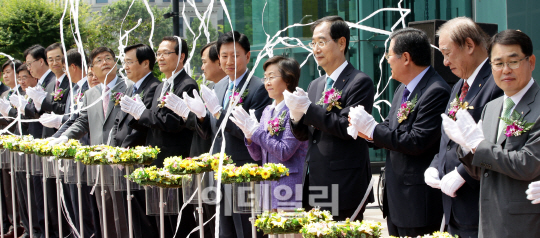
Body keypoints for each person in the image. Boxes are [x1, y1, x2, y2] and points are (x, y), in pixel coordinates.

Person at [349, 28, 449, 236]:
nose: (387, 61)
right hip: (398, 201)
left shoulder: (435, 90)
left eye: (389, 55)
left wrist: (372, 129)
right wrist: (365, 131)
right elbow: (388, 127)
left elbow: (416, 141)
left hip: (417, 202)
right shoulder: (402, 89)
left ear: (405, 58)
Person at [445, 29, 540, 237]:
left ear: (531, 62)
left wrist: (479, 146)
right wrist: (466, 147)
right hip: (489, 222)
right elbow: (484, 170)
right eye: (498, 63)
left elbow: (528, 164)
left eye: (513, 62)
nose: (505, 70)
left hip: (525, 226)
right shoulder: (492, 107)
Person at [283, 15, 375, 221]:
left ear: (341, 43)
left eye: (321, 42)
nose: (315, 49)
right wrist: (296, 117)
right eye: (313, 43)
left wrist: (308, 109)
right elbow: (306, 135)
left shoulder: (359, 82)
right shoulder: (315, 84)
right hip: (315, 182)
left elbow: (347, 127)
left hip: (344, 184)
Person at [182, 30, 271, 238]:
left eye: (235, 55)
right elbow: (210, 133)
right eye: (224, 56)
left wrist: (218, 113)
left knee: (248, 231)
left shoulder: (258, 88)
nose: (229, 61)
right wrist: (202, 118)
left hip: (245, 172)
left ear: (248, 56)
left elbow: (250, 133)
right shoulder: (218, 86)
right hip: (219, 172)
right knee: (224, 231)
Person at [425, 17, 504, 237]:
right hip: (453, 205)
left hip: (476, 200)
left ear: (469, 45)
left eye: (447, 53)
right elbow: (449, 138)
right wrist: (436, 164)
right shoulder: (460, 84)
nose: (445, 62)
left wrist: (462, 174)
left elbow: (496, 142)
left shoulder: (495, 83)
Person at [119, 36, 198, 238]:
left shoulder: (187, 85)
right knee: (161, 220)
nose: (160, 58)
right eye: (159, 53)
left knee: (179, 222)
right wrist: (137, 115)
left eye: (166, 53)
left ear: (181, 57)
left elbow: (173, 123)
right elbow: (153, 120)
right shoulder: (163, 85)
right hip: (157, 162)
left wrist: (142, 113)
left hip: (174, 163)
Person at [51, 46, 132, 238]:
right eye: (98, 60)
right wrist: (65, 137)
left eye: (108, 58)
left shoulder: (128, 87)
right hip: (98, 165)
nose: (104, 63)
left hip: (121, 162)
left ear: (115, 63)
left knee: (125, 215)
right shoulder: (91, 94)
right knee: (105, 213)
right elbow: (82, 121)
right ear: (92, 68)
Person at [231, 56, 307, 212]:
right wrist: (249, 137)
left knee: (290, 235)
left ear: (288, 79)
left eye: (272, 77)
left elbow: (284, 151)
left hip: (288, 186)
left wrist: (256, 132)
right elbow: (258, 155)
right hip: (268, 188)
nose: (267, 82)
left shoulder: (295, 111)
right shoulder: (268, 110)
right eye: (265, 77)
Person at [111, 43, 160, 238]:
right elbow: (120, 122)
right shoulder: (132, 88)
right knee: (132, 215)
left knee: (145, 217)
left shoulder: (153, 88)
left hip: (139, 160)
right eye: (125, 62)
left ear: (145, 63)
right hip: (125, 160)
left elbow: (141, 126)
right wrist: (115, 147)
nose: (126, 67)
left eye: (130, 62)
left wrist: (124, 150)